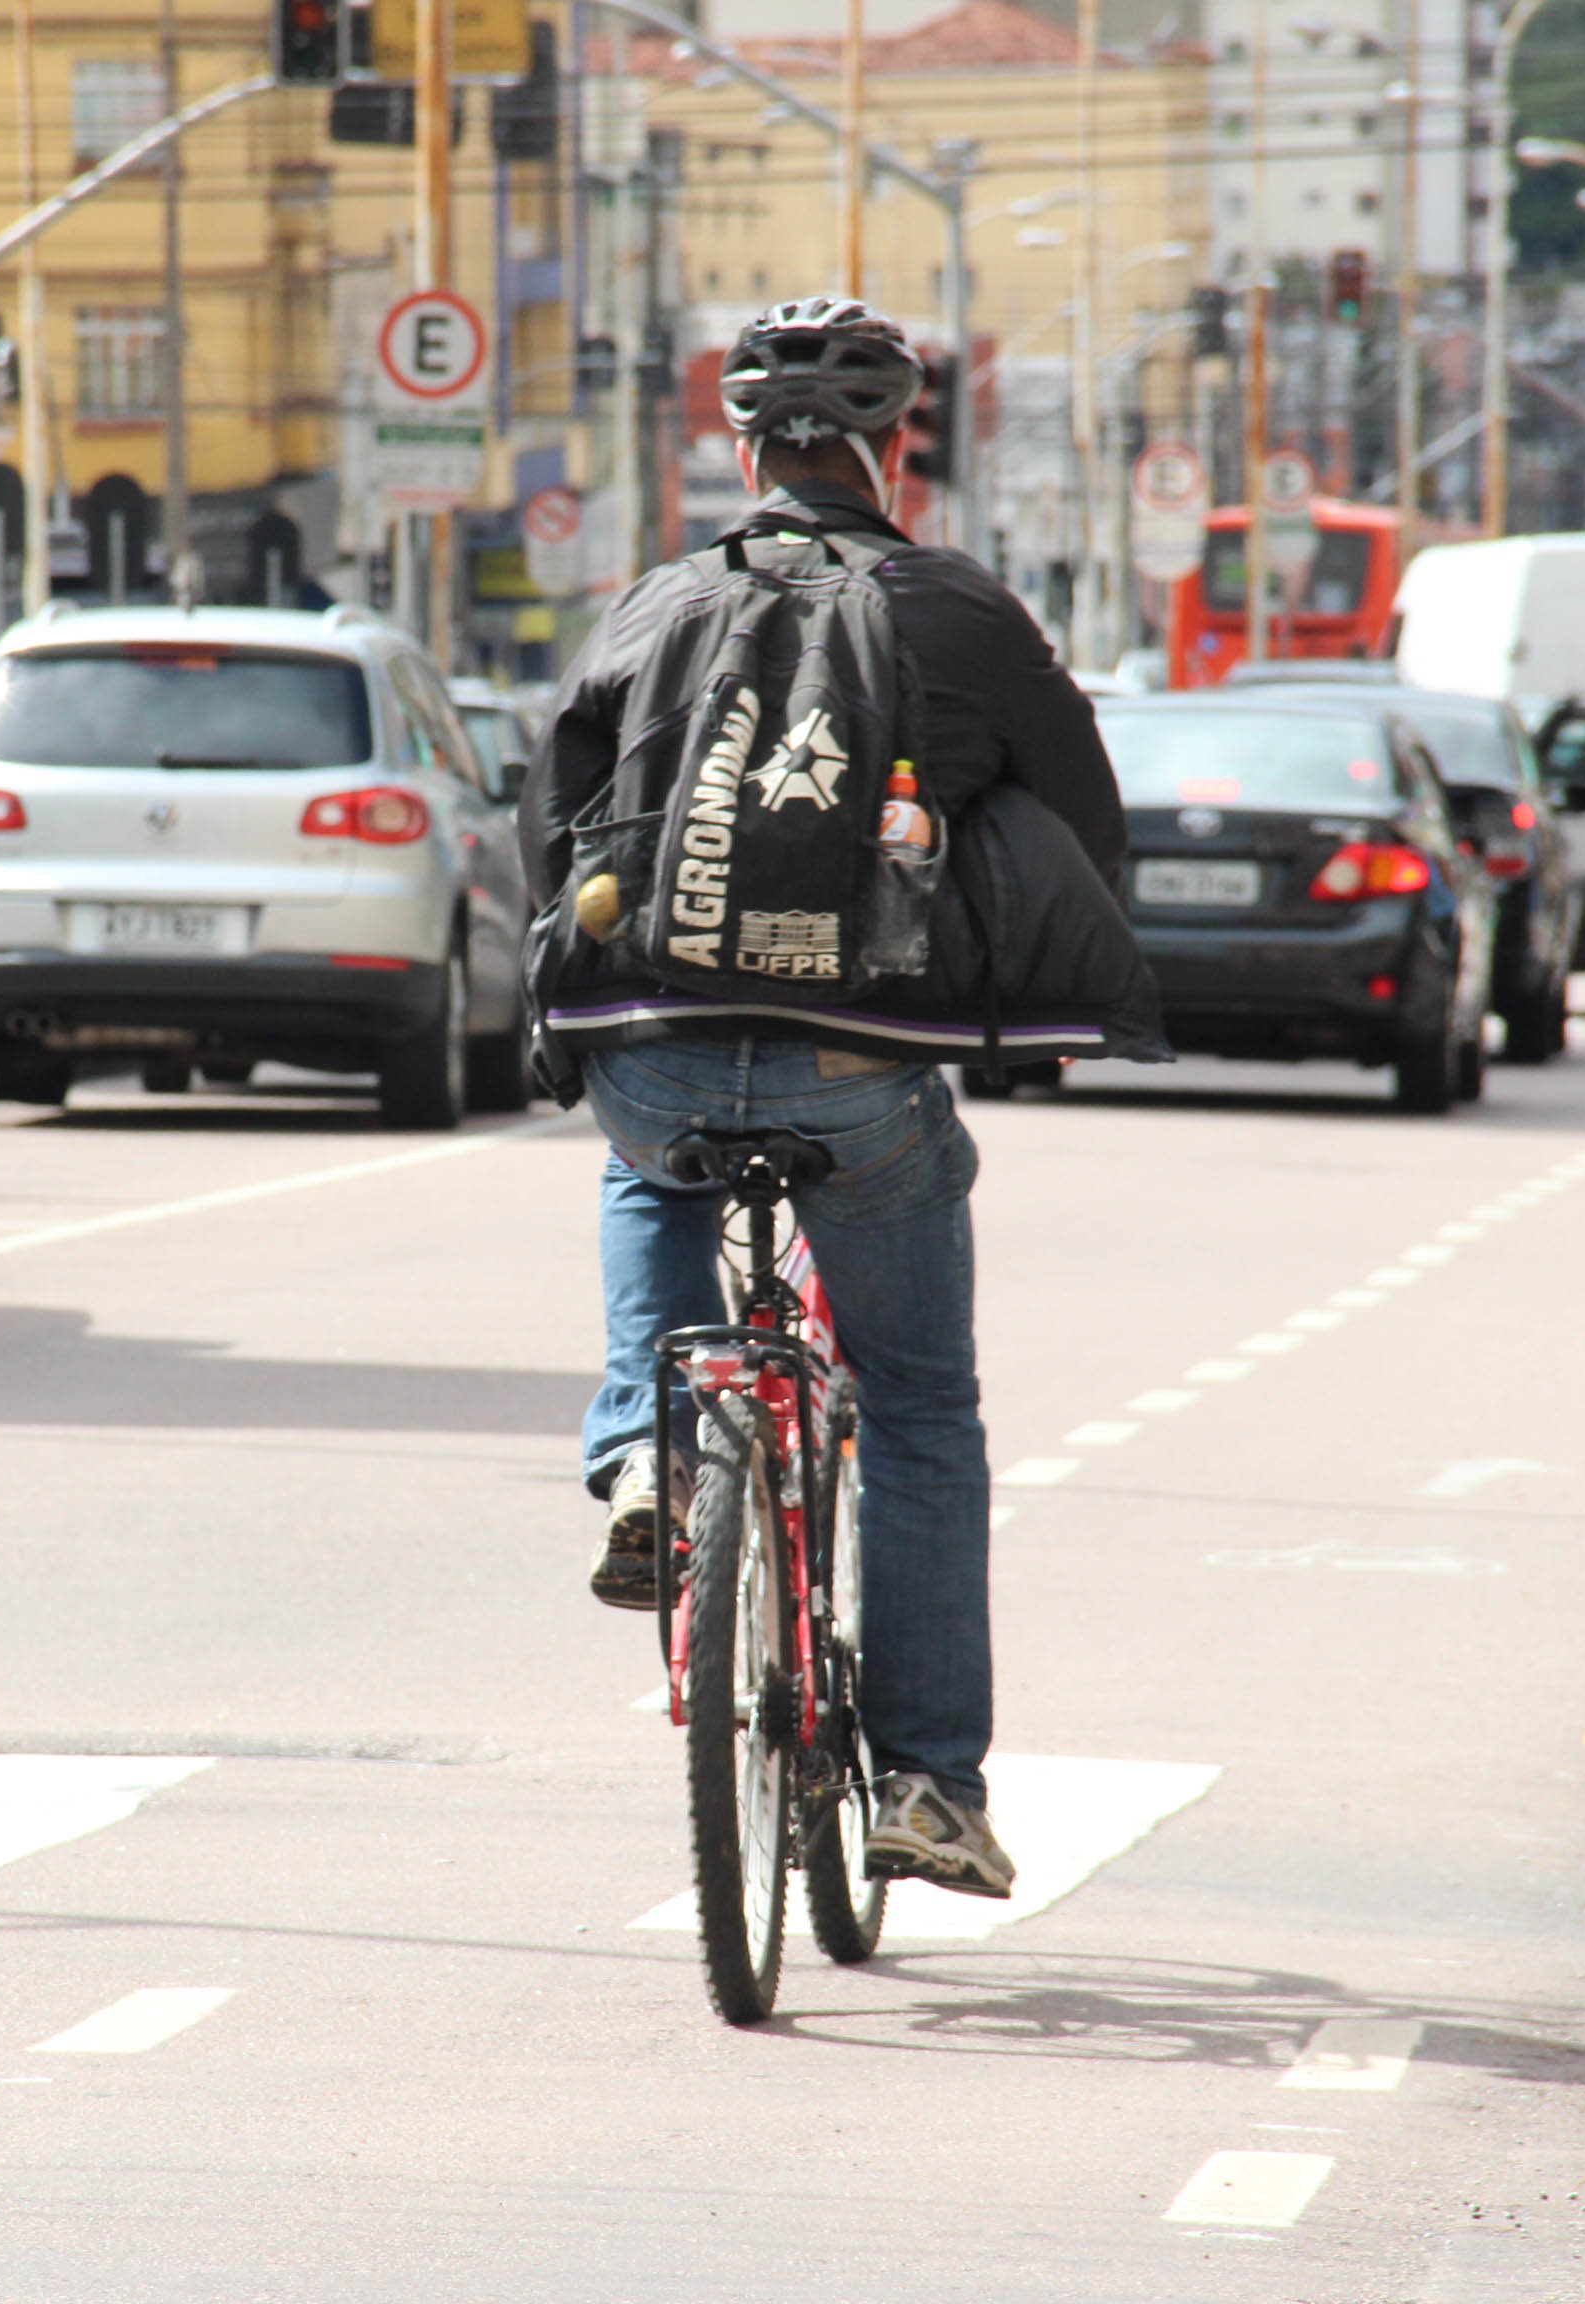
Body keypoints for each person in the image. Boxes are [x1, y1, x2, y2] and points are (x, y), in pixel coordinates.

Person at [519, 296, 1167, 1898]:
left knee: (647, 1171)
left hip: (661, 1044)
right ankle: (931, 1788)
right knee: (925, 1414)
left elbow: (555, 816)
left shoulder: (656, 601)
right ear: (899, 461)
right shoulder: (958, 607)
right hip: (862, 1064)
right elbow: (1084, 822)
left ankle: (643, 1459)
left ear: (740, 453)